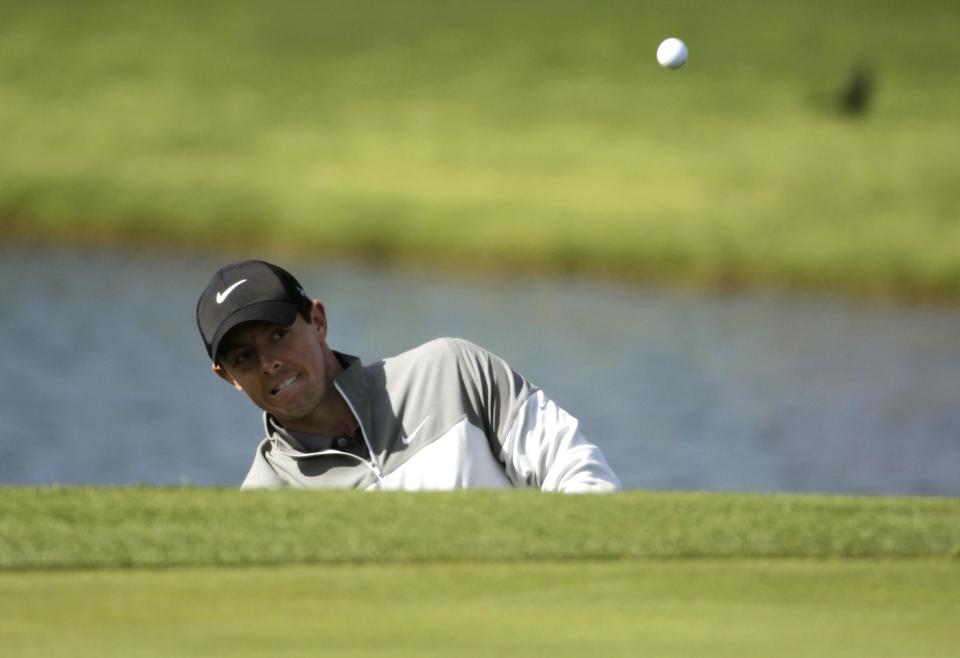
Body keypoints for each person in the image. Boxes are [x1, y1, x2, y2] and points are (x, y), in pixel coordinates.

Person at [196, 260, 621, 492]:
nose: (268, 362)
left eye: (279, 334)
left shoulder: (452, 371)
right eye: (243, 356)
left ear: (318, 320)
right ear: (226, 376)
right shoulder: (269, 497)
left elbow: (578, 472)